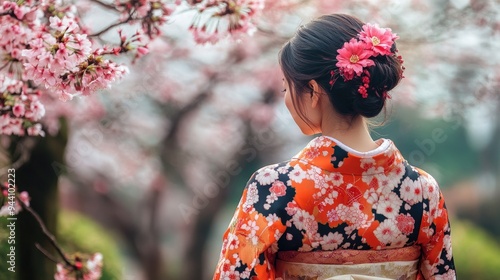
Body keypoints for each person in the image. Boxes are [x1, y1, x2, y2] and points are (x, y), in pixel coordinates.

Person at [213, 14, 456, 280]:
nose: (286, 100)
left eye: (286, 89)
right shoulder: (422, 190)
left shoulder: (273, 187)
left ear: (313, 92)